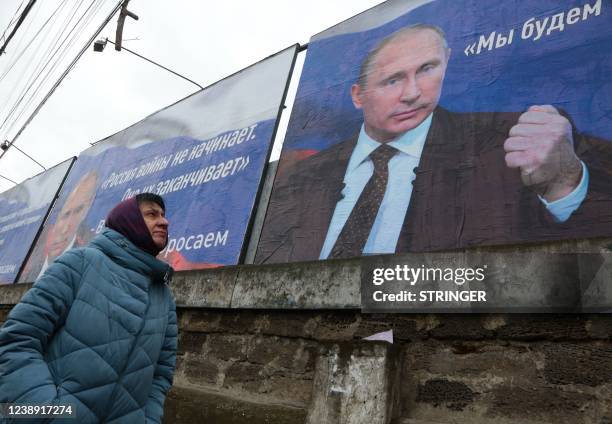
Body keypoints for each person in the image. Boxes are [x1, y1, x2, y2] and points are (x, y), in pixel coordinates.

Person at [255, 24, 612, 264]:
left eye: (427, 69)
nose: (413, 94)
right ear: (358, 95)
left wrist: (565, 183)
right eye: (393, 80)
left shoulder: (513, 139)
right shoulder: (303, 177)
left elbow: (585, 266)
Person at [0, 193, 177, 423]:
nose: (164, 221)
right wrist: (49, 416)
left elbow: (160, 376)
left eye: (163, 215)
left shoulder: (165, 299)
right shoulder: (79, 263)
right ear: (128, 220)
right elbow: (16, 342)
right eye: (152, 214)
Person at [19, 171, 98, 282]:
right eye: (65, 215)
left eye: (78, 211)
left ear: (89, 206)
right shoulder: (30, 261)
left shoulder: (88, 258)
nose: (66, 229)